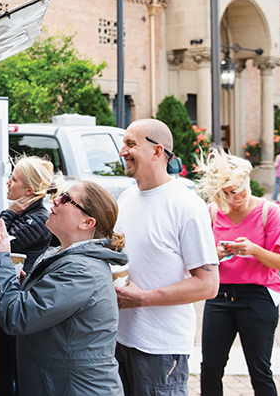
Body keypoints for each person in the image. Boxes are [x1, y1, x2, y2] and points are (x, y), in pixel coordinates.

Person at [0, 181, 128, 396]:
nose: (55, 200)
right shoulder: (65, 256)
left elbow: (17, 317)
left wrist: (2, 260)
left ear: (87, 222)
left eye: (66, 199)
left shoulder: (82, 271)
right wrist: (24, 287)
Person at [114, 118, 219, 396]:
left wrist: (143, 299)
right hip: (119, 339)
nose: (122, 151)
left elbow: (208, 285)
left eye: (130, 144)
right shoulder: (125, 198)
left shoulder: (187, 206)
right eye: (123, 143)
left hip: (160, 348)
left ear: (157, 151)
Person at [196, 149, 280, 396]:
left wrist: (253, 249)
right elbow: (199, 258)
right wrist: (215, 254)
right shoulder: (212, 212)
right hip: (219, 296)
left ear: (245, 183)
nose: (231, 199)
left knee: (259, 371)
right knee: (210, 369)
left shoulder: (269, 211)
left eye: (234, 191)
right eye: (223, 194)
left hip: (258, 296)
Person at [0, 155, 55, 396]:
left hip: (17, 299)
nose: (8, 183)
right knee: (0, 361)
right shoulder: (27, 214)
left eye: (14, 179)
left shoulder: (39, 218)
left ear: (29, 190)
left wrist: (8, 212)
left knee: (13, 366)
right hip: (6, 295)